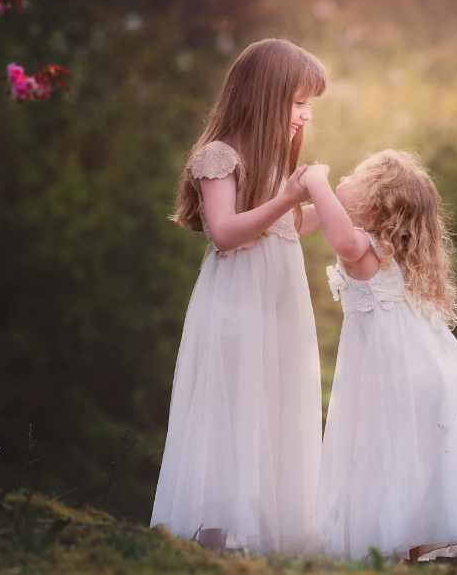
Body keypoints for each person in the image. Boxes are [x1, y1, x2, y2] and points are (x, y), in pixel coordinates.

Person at [150, 38, 327, 555]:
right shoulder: (220, 156)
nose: (305, 115)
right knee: (234, 413)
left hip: (278, 308)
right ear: (267, 95)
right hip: (237, 308)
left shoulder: (272, 166)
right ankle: (214, 541)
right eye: (298, 102)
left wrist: (347, 203)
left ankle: (265, 544)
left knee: (273, 407)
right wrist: (291, 195)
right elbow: (226, 231)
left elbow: (288, 226)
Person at [300, 150, 457, 562]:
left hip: (401, 380)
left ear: (372, 203)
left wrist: (316, 181)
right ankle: (407, 558)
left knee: (384, 469)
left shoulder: (365, 248)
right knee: (409, 480)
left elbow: (338, 237)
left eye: (354, 173)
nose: (344, 175)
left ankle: (392, 558)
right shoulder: (397, 258)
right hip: (434, 376)